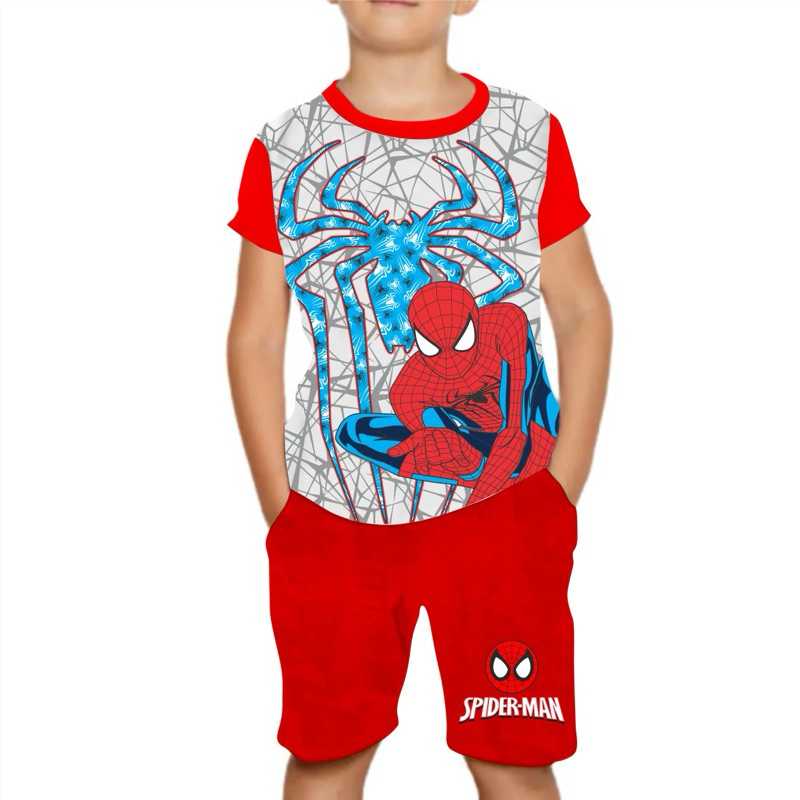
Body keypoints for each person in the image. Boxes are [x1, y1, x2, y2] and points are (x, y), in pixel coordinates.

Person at [226, 1, 611, 797]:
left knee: (513, 754)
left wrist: (559, 486)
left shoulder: (528, 133)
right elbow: (255, 336)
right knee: (328, 752)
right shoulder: (284, 145)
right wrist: (281, 504)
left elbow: (580, 309)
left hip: (504, 511)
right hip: (332, 516)